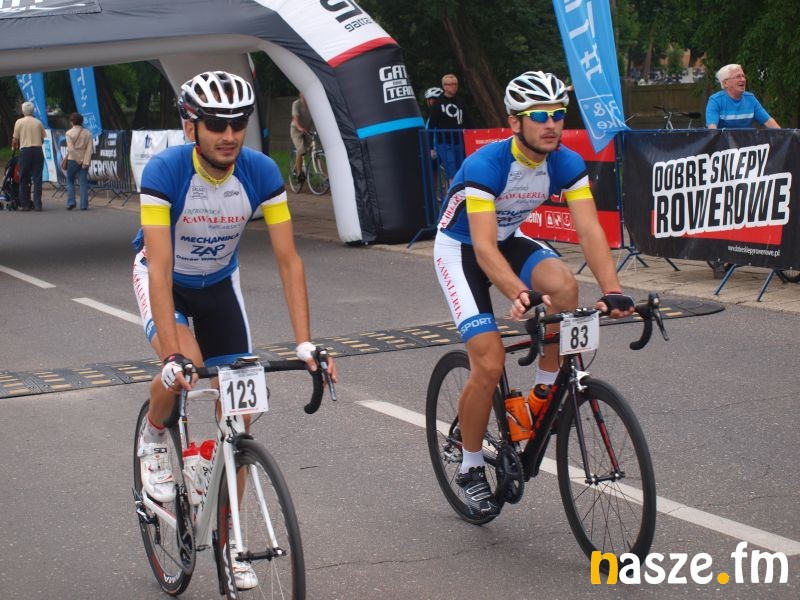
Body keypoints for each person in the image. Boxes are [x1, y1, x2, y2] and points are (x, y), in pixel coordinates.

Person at [132, 71, 337, 587]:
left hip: (221, 284)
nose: (229, 135)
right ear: (191, 126)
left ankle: (231, 544)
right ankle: (154, 435)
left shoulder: (261, 171)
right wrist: (171, 355)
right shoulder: (166, 171)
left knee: (240, 420)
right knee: (188, 368)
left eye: (238, 124)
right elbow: (159, 267)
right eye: (216, 124)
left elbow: (289, 261)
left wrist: (305, 341)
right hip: (167, 281)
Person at [433, 71, 635, 517]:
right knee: (489, 361)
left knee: (564, 286)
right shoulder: (485, 165)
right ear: (514, 122)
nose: (552, 124)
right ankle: (469, 465)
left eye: (558, 114)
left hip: (508, 237)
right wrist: (520, 292)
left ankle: (544, 394)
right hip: (461, 249)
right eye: (539, 115)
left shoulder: (564, 161)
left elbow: (589, 230)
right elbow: (483, 248)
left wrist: (613, 290)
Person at [427, 74, 473, 185]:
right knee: (451, 170)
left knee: (461, 168)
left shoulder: (461, 102)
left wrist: (475, 136)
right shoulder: (438, 103)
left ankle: (459, 192)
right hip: (444, 143)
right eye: (450, 84)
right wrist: (431, 148)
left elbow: (468, 121)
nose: (453, 86)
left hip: (460, 141)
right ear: (444, 86)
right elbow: (431, 126)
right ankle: (453, 193)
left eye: (455, 84)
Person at [706, 64, 780, 129]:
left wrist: (783, 136)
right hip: (723, 141)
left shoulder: (750, 98)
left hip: (746, 140)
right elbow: (712, 129)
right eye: (738, 76)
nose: (743, 79)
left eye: (743, 76)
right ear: (725, 83)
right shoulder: (715, 100)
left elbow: (768, 121)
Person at [11, 101, 46, 211]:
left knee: (23, 178)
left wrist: (14, 147)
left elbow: (15, 139)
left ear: (23, 111)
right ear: (33, 111)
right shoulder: (38, 122)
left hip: (25, 151)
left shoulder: (19, 122)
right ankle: (38, 204)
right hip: (37, 150)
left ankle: (25, 204)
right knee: (37, 178)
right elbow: (42, 139)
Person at [64, 112, 94, 210]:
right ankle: (84, 205)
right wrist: (85, 161)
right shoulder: (88, 133)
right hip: (84, 159)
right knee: (83, 181)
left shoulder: (68, 133)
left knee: (70, 180)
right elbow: (89, 149)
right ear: (82, 121)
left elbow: (71, 149)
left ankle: (71, 202)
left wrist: (78, 159)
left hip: (73, 159)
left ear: (72, 121)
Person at [290, 92, 314, 182]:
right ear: (300, 95)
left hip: (306, 131)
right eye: (303, 94)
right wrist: (300, 128)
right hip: (296, 130)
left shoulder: (312, 105)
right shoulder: (296, 104)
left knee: (314, 151)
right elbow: (295, 118)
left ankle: (324, 175)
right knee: (301, 149)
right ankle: (299, 173)